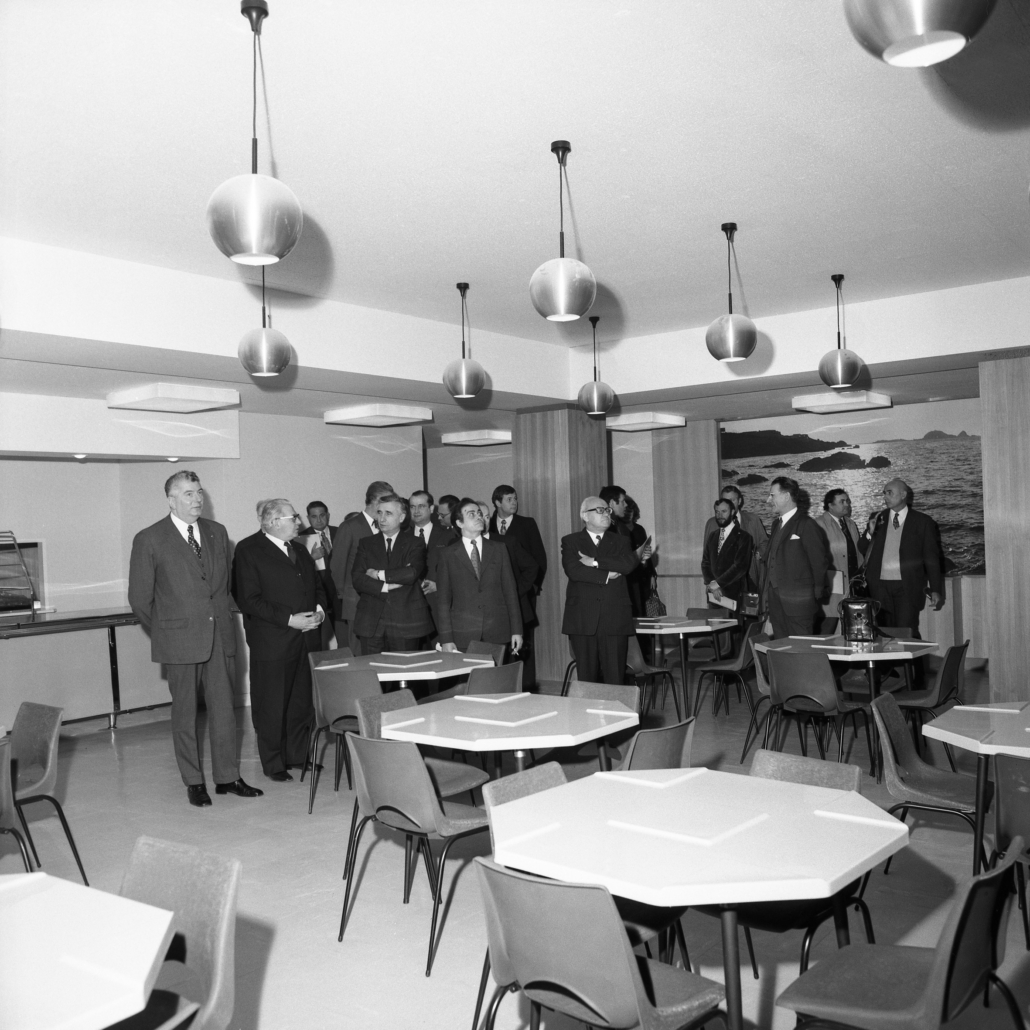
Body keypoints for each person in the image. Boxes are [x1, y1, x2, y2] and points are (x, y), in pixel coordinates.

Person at [128, 470, 262, 807]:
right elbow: (140, 599)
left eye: (199, 492)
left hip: (219, 636)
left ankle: (227, 777)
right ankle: (193, 781)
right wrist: (168, 630)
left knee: (224, 711)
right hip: (179, 640)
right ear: (171, 500)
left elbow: (222, 588)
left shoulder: (217, 532)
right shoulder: (149, 538)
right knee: (185, 714)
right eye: (188, 494)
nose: (197, 499)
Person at [232, 499, 325, 782]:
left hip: (306, 638)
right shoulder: (249, 550)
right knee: (271, 703)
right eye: (293, 517)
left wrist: (319, 612)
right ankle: (273, 763)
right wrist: (289, 619)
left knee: (301, 703)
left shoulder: (300, 549)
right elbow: (248, 599)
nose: (299, 522)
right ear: (273, 522)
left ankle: (297, 756)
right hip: (272, 640)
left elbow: (316, 587)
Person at [561, 496, 640, 685]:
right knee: (587, 680)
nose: (606, 514)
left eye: (607, 510)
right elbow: (574, 571)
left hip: (615, 617)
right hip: (583, 617)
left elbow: (627, 564)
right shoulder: (571, 541)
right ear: (585, 516)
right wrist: (606, 575)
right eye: (600, 510)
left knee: (615, 678)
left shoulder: (621, 541)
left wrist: (595, 562)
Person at [436, 498, 523, 655]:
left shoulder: (499, 549)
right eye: (471, 514)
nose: (479, 517)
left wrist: (517, 630)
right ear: (459, 523)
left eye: (479, 513)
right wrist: (446, 639)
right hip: (463, 633)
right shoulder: (447, 555)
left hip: (497, 630)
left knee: (497, 672)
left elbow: (510, 592)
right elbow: (443, 600)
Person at [860, 478, 944, 635]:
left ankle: (910, 652)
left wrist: (936, 589)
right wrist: (870, 533)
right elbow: (862, 548)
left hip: (908, 587)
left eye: (889, 493)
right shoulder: (878, 517)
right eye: (884, 493)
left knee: (906, 631)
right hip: (879, 587)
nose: (885, 497)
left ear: (903, 495)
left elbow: (931, 558)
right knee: (884, 633)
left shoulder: (923, 522)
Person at [351, 493, 434, 653]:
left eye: (388, 513)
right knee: (372, 667)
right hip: (371, 621)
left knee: (404, 667)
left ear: (401, 517)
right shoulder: (366, 543)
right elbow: (357, 579)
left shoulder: (415, 543)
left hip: (406, 621)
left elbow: (411, 573)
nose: (382, 518)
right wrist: (385, 587)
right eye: (379, 513)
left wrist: (378, 574)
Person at [488, 484, 548, 686]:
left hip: (523, 593)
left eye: (515, 499)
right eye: (509, 499)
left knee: (523, 641)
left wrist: (529, 588)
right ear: (497, 502)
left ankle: (526, 685)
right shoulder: (487, 524)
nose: (514, 503)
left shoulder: (526, 524)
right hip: (496, 597)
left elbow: (539, 559)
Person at [762, 476, 831, 639]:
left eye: (772, 495)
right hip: (776, 602)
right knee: (781, 646)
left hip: (800, 603)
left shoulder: (807, 524)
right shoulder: (776, 524)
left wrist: (814, 594)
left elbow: (819, 563)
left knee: (801, 649)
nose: (768, 500)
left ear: (786, 496)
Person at [329, 480, 393, 654]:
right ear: (375, 501)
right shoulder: (350, 526)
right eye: (387, 500)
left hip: (385, 601)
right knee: (359, 652)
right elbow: (337, 566)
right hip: (356, 601)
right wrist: (344, 597)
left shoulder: (388, 525)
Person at [409, 489, 456, 637]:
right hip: (411, 608)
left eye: (421, 506)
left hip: (439, 605)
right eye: (412, 507)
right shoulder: (402, 537)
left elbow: (458, 571)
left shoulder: (449, 535)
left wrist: (439, 585)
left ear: (431, 509)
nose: (416, 511)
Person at [703, 485, 768, 590]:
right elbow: (707, 558)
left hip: (750, 579)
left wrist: (758, 554)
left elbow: (764, 543)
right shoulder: (712, 524)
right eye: (725, 500)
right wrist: (711, 582)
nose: (729, 503)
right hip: (721, 583)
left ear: (739, 501)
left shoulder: (753, 520)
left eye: (732, 500)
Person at [813, 488, 864, 620]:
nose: (847, 504)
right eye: (842, 501)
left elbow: (858, 553)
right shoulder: (818, 524)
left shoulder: (851, 524)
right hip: (831, 585)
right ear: (830, 505)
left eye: (848, 501)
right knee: (831, 621)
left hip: (853, 584)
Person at [701, 498, 753, 615]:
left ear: (733, 512)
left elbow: (740, 567)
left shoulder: (744, 537)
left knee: (733, 627)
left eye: (724, 511)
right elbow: (705, 563)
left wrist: (718, 583)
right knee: (712, 626)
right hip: (713, 596)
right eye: (717, 512)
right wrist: (712, 584)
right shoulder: (713, 536)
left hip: (733, 596)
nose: (720, 515)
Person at [299, 500, 337, 650]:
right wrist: (311, 558)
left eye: (322, 515)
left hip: (339, 593)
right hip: (316, 594)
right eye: (314, 516)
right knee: (316, 641)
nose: (319, 520)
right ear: (308, 518)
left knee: (345, 637)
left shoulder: (340, 532)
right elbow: (296, 569)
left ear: (328, 515)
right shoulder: (300, 538)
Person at [623, 495, 653, 618]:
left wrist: (652, 574)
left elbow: (646, 552)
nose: (629, 514)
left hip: (640, 575)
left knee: (641, 611)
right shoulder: (618, 530)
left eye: (631, 511)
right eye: (626, 511)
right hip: (626, 575)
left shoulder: (639, 529)